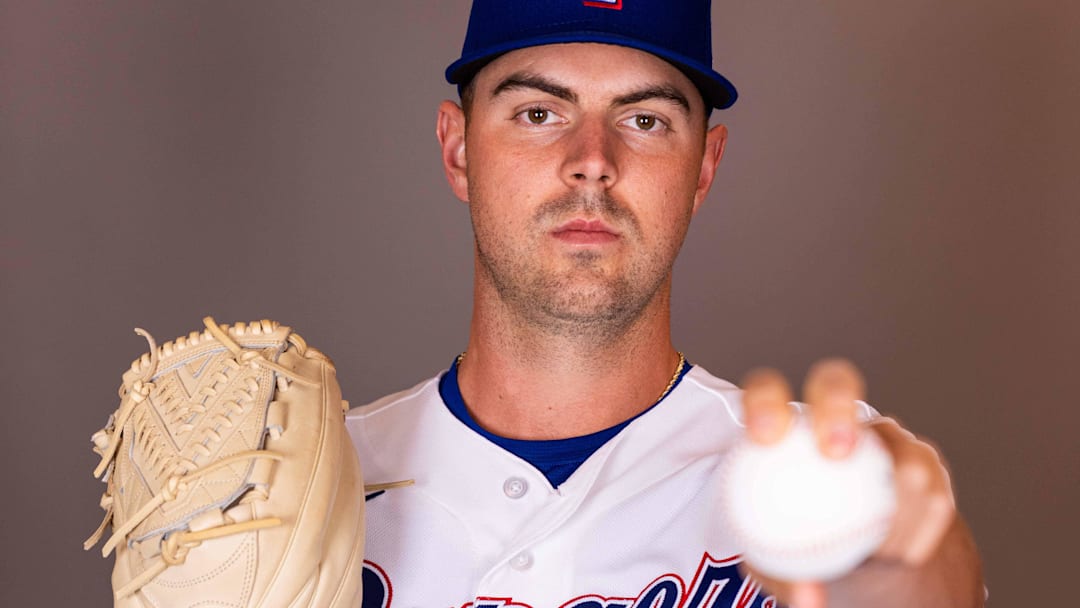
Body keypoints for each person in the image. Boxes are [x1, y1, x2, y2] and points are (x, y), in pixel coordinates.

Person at [346, 1, 984, 606]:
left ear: (704, 168)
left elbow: (926, 584)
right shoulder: (308, 484)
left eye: (644, 120)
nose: (592, 161)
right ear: (458, 151)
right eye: (539, 114)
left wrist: (901, 561)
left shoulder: (822, 476)